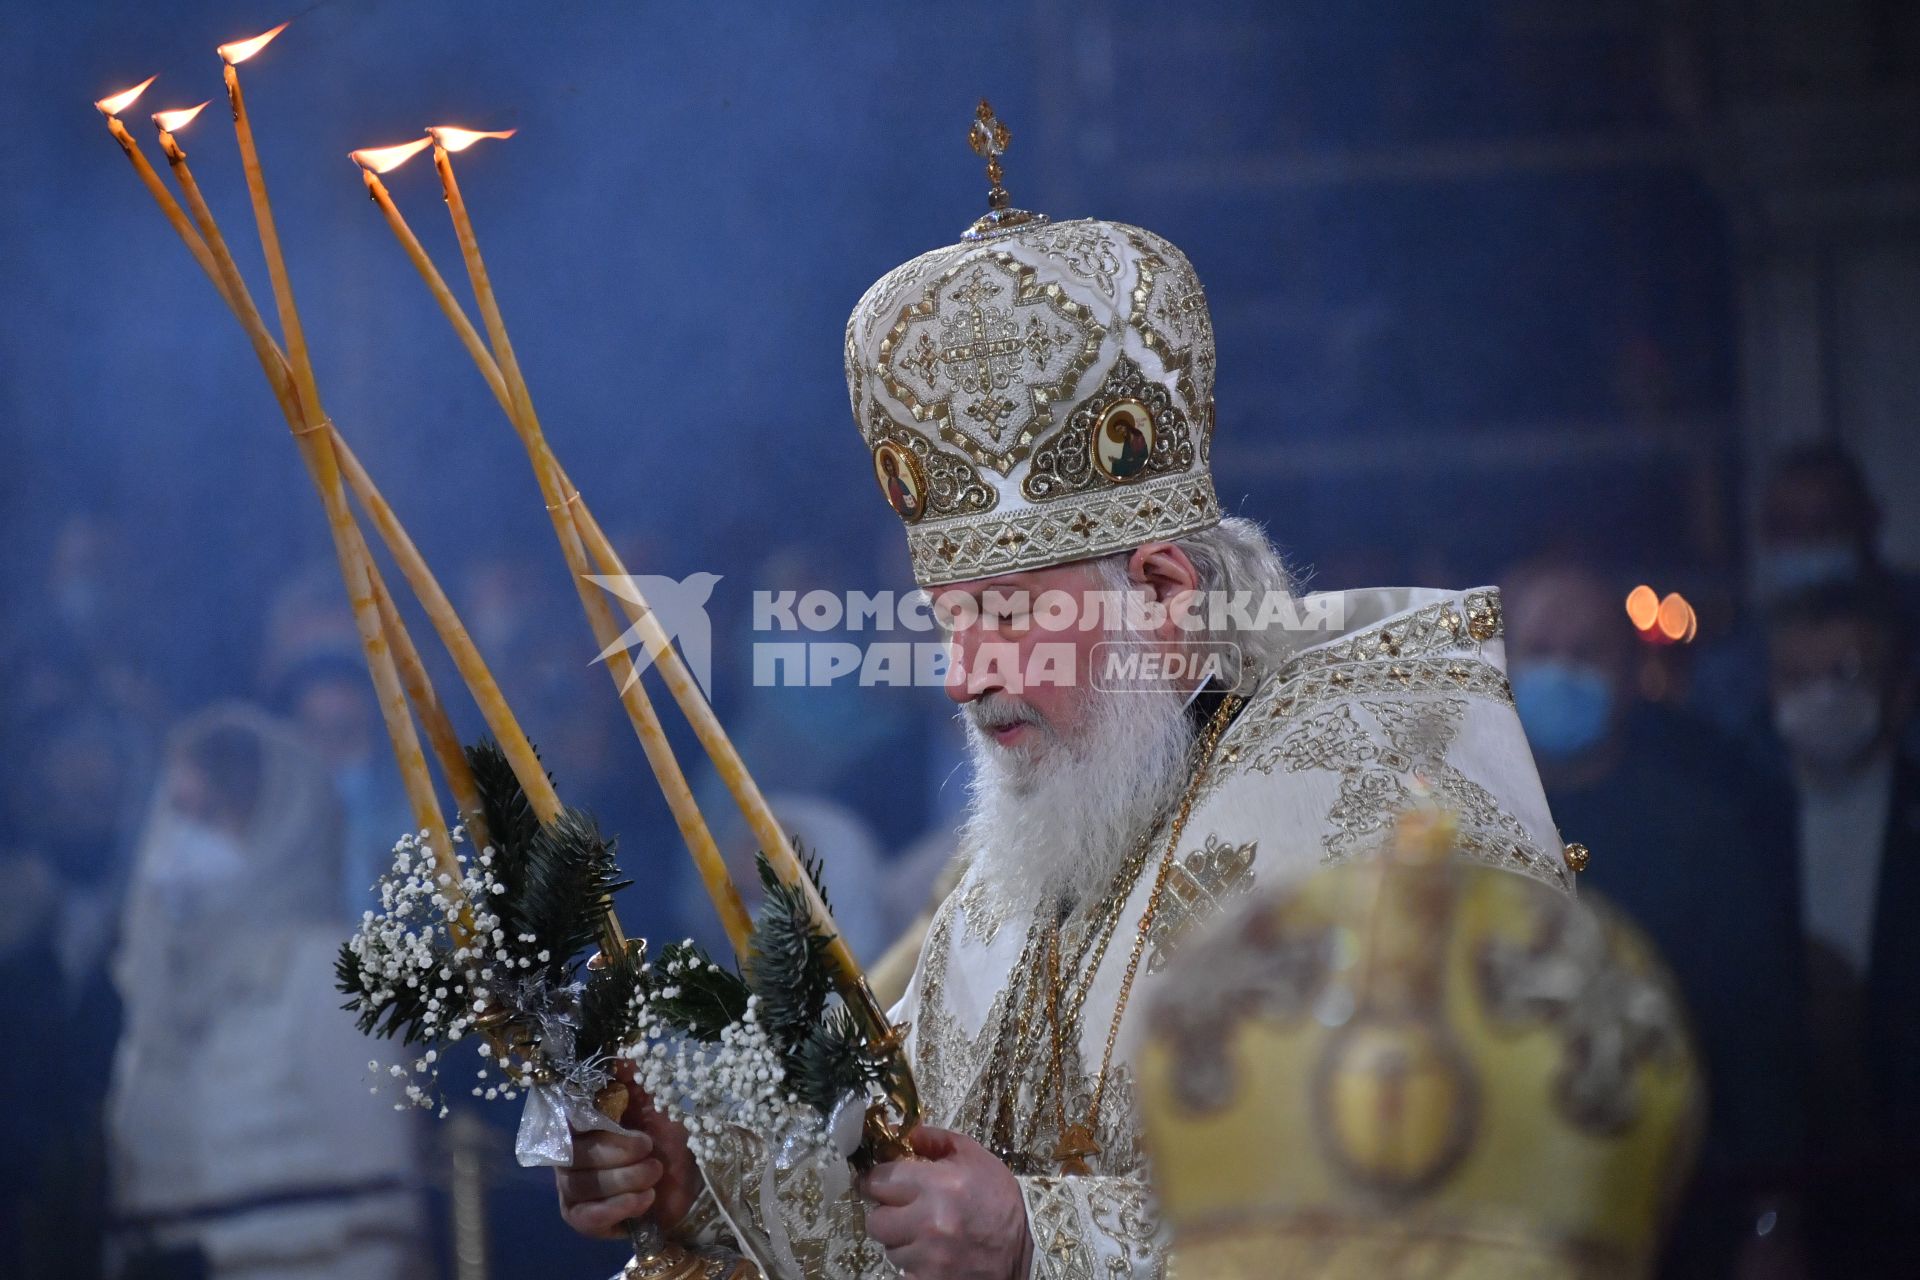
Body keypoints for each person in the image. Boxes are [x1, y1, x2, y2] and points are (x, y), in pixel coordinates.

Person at [555, 112, 1574, 1279]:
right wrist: (704, 1185)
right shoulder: (1035, 853)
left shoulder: (1385, 788)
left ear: (1160, 590)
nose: (963, 674)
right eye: (951, 621)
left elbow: (1465, 1202)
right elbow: (908, 1197)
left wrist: (1046, 1235)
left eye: (1007, 616)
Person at [1502, 556, 1807, 1276]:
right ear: (1502, 665)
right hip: (1506, 1204)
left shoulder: (1700, 832)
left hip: (1677, 1211)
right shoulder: (1455, 824)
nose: (1563, 671)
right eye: (1542, 652)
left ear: (1632, 671)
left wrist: (1773, 1217)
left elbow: (1757, 1032)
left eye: (1587, 653)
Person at [106, 705, 428, 1280]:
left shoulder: (336, 976)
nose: (182, 841)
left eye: (211, 816)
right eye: (177, 812)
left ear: (282, 825)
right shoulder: (155, 993)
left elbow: (385, 1213)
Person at [1766, 583, 1920, 1277]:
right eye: (1798, 677)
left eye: (1848, 675)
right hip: (1786, 1173)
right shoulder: (1734, 821)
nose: (1823, 698)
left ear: (1901, 689)